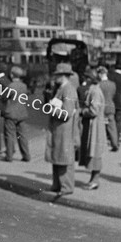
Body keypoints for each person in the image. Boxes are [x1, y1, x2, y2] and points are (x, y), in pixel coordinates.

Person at [45, 63, 78, 196]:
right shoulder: (61, 88)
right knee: (57, 156)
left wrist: (51, 110)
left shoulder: (68, 89)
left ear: (63, 76)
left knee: (64, 158)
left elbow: (67, 113)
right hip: (58, 130)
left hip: (64, 130)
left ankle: (66, 187)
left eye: (57, 75)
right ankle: (57, 184)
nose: (54, 77)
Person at [78, 67, 107, 190]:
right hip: (93, 125)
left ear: (90, 79)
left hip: (94, 126)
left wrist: (82, 111)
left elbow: (94, 110)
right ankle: (93, 179)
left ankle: (95, 180)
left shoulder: (94, 91)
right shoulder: (95, 89)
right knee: (93, 151)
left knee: (94, 152)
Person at [2, 66, 30, 162]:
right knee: (22, 135)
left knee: (9, 135)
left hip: (11, 114)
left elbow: (4, 98)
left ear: (11, 75)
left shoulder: (10, 86)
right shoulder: (24, 86)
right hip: (22, 113)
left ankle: (9, 157)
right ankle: (26, 156)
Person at [97, 66, 118, 151]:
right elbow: (113, 95)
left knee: (100, 127)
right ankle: (115, 143)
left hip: (101, 107)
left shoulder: (99, 85)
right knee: (112, 127)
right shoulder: (113, 84)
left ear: (100, 74)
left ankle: (100, 144)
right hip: (110, 106)